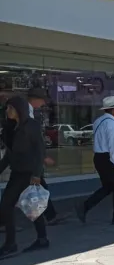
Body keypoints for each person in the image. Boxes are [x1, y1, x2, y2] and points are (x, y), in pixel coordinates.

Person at [0, 96, 49, 258]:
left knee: (8, 204)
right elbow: (9, 155)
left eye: (10, 108)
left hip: (29, 173)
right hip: (17, 171)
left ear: (18, 109)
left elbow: (39, 151)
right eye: (7, 108)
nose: (7, 111)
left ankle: (11, 244)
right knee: (32, 206)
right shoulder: (10, 128)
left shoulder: (31, 126)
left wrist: (36, 174)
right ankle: (42, 239)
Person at [75, 96, 114, 225]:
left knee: (108, 187)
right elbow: (113, 147)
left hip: (99, 157)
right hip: (109, 158)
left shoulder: (98, 121)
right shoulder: (113, 125)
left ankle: (85, 206)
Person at [27, 88, 69, 225]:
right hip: (28, 159)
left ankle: (50, 217)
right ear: (35, 99)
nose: (44, 103)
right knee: (19, 190)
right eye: (42, 100)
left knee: (40, 187)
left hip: (31, 158)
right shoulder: (27, 113)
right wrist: (42, 156)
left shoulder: (32, 113)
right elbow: (31, 139)